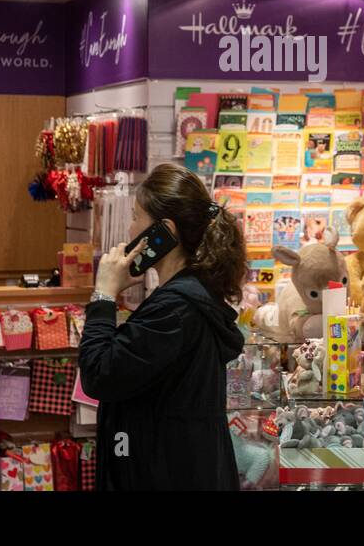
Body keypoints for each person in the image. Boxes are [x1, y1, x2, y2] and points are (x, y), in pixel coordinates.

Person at [78, 163, 247, 490]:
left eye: (135, 217)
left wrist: (103, 296)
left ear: (163, 232)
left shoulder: (175, 308)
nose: (129, 230)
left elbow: (99, 374)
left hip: (164, 475)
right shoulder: (189, 297)